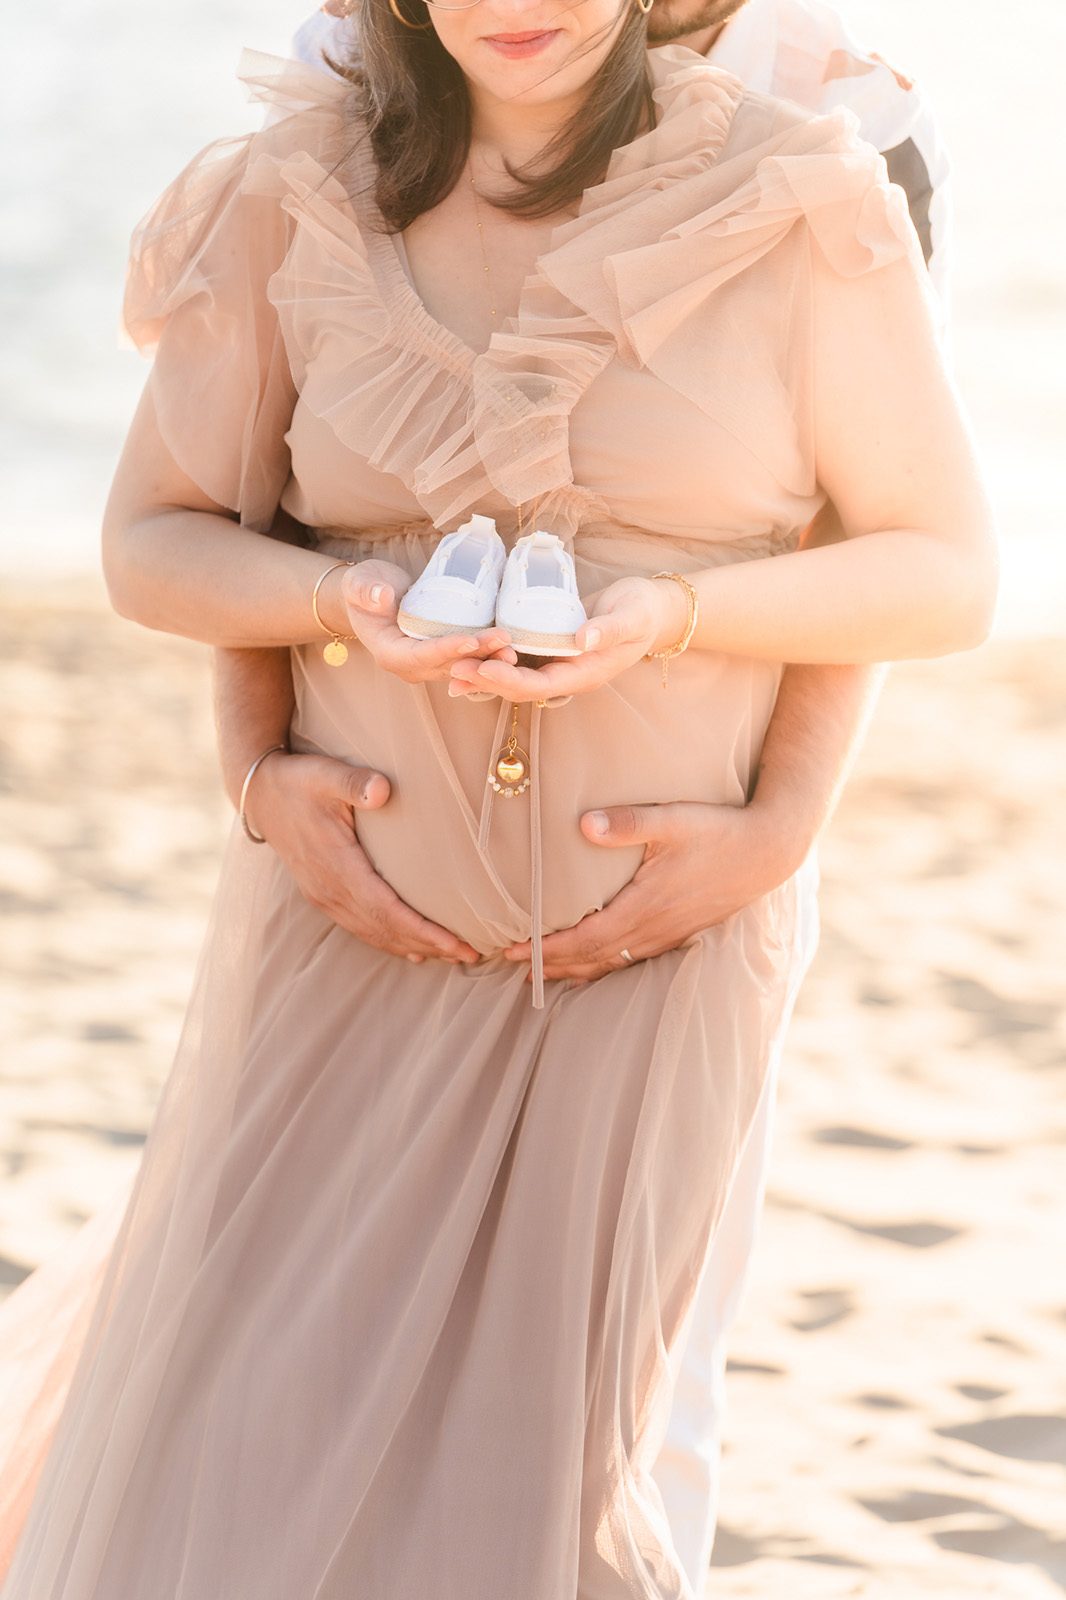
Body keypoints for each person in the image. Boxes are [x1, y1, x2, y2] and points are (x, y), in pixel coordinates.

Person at [0, 0, 996, 1588]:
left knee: (554, 1484)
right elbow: (179, 529)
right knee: (243, 1433)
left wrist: (688, 656)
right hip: (341, 936)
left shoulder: (819, 164)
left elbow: (928, 569)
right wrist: (282, 729)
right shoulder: (292, 181)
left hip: (650, 961)